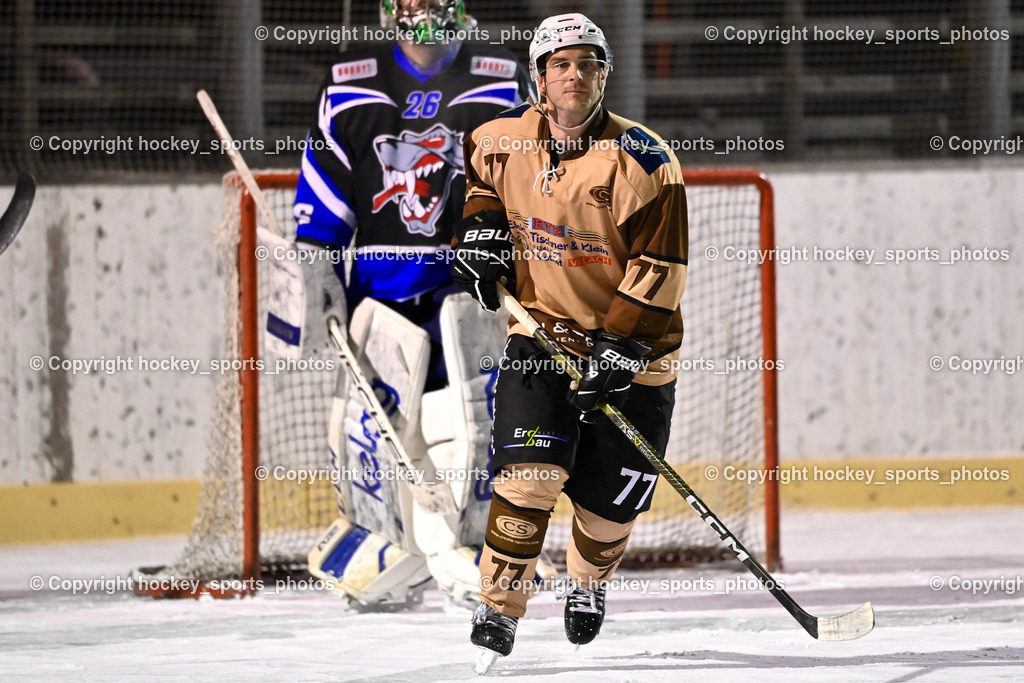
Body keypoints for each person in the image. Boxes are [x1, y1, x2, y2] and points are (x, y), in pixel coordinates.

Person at [452, 12, 689, 663]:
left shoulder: (645, 161)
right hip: (541, 337)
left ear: (604, 75)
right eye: (560, 64)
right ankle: (498, 606)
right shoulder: (498, 140)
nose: (575, 75)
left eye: (588, 64)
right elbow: (480, 185)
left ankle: (586, 585)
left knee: (608, 512)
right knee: (529, 478)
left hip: (635, 356)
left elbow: (661, 266)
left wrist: (621, 347)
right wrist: (481, 236)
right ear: (539, 77)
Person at [292, 0, 538, 609]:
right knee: (374, 427)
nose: (422, 7)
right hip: (379, 293)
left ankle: (480, 550)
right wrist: (316, 257)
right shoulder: (349, 83)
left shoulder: (501, 78)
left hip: (470, 289)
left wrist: (523, 258)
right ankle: (388, 550)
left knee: (474, 423)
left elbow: (534, 183)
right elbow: (326, 182)